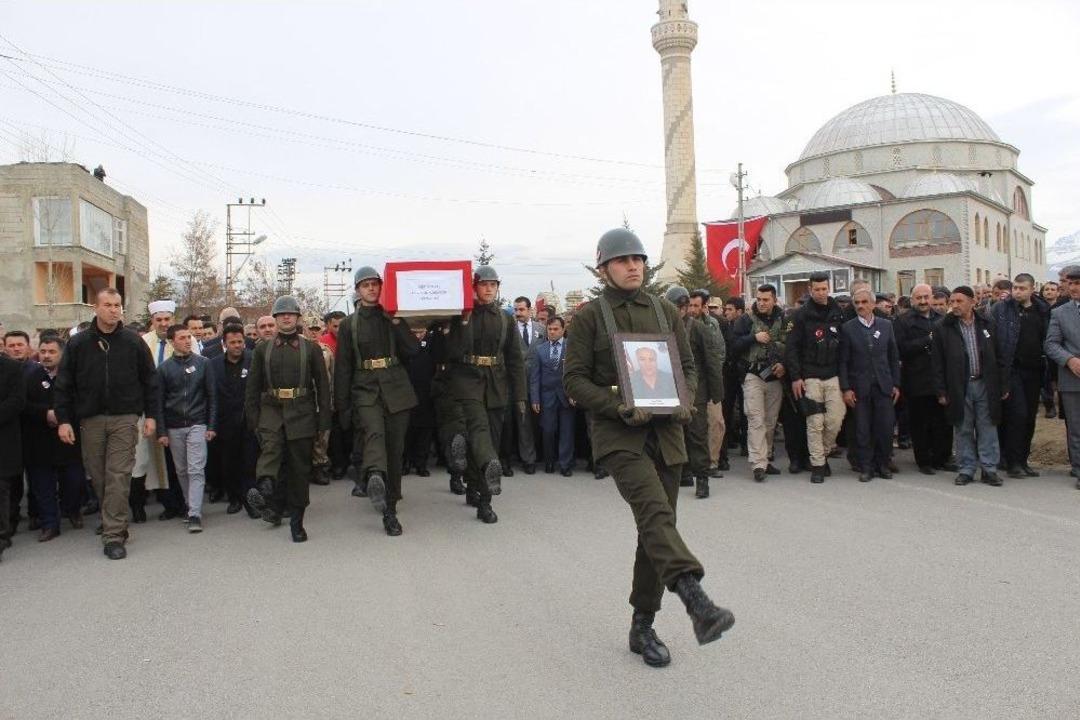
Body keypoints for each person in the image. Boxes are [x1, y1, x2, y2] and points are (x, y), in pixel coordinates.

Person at [564, 227, 733, 669]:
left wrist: (686, 399)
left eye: (637, 258)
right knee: (656, 515)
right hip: (620, 437)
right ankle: (697, 601)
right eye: (622, 260)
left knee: (654, 529)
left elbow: (689, 367)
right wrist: (617, 405)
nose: (633, 265)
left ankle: (643, 624)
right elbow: (574, 380)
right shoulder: (588, 318)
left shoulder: (665, 312)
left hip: (667, 435)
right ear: (604, 268)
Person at [54, 288, 159, 560]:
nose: (114, 309)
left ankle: (112, 534)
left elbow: (150, 382)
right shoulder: (78, 345)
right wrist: (64, 420)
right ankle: (115, 519)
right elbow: (64, 384)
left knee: (118, 475)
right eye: (108, 305)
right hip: (90, 419)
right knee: (99, 477)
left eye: (118, 305)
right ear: (96, 308)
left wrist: (151, 415)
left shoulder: (133, 342)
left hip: (125, 419)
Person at [334, 267, 419, 536]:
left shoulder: (393, 317)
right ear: (357, 290)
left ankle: (389, 507)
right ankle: (374, 476)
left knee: (395, 448)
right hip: (365, 388)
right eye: (365, 285)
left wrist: (395, 321)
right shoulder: (349, 324)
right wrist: (343, 406)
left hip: (396, 389)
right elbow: (343, 368)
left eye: (375, 284)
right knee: (373, 434)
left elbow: (413, 350)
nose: (371, 288)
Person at [438, 265, 526, 524]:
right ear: (474, 287)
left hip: (496, 383)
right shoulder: (461, 315)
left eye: (493, 285)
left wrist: (520, 395)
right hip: (466, 379)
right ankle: (485, 502)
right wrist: (462, 321)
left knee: (490, 440)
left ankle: (477, 488)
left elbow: (514, 359)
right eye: (484, 284)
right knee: (478, 434)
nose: (489, 289)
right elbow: (451, 352)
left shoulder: (505, 318)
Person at [245, 296, 332, 542]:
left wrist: (324, 421)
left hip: (302, 411)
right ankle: (266, 492)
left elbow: (323, 387)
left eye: (290, 314)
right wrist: (253, 419)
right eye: (281, 314)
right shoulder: (263, 349)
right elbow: (252, 388)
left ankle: (297, 520)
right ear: (274, 319)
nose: (286, 317)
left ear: (297, 318)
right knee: (270, 455)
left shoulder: (311, 348)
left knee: (299, 469)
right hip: (272, 411)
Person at [931, 287, 1004, 487]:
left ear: (972, 302)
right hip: (959, 386)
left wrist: (1003, 385)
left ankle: (989, 469)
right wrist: (941, 391)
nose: (954, 305)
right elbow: (937, 363)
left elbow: (1000, 357)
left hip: (985, 384)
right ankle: (966, 469)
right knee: (963, 427)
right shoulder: (942, 327)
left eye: (959, 301)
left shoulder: (987, 323)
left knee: (987, 427)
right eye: (952, 301)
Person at [155, 324, 218, 532]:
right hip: (174, 426)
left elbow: (212, 397)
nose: (187, 340)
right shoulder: (164, 369)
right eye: (182, 338)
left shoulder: (203, 364)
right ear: (172, 342)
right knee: (182, 470)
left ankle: (194, 514)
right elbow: (159, 402)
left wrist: (211, 425)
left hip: (197, 423)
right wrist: (162, 431)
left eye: (188, 336)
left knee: (196, 469)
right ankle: (190, 504)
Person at [21, 336, 84, 542]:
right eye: (43, 351)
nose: (46, 356)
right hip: (39, 442)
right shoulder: (29, 376)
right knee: (43, 487)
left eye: (52, 352)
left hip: (69, 441)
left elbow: (83, 403)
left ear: (62, 353)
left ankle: (73, 510)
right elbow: (22, 404)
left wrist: (63, 416)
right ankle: (50, 524)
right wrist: (45, 414)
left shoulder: (73, 377)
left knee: (73, 482)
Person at [786, 271, 846, 484]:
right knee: (815, 422)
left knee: (835, 420)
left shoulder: (838, 312)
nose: (821, 293)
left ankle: (823, 452)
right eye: (817, 289)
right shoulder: (800, 315)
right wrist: (795, 377)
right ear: (810, 290)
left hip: (832, 375)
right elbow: (791, 348)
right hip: (809, 376)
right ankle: (818, 465)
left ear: (828, 288)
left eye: (824, 289)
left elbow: (844, 347)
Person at [665, 286, 723, 498]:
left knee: (697, 434)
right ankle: (684, 473)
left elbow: (712, 362)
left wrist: (716, 393)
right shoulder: (663, 328)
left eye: (683, 307)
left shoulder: (698, 329)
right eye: (677, 307)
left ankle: (703, 478)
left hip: (695, 389)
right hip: (669, 388)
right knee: (674, 434)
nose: (681, 310)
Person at [838, 289, 901, 481]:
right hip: (860, 388)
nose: (860, 306)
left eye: (864, 302)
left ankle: (882, 465)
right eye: (857, 302)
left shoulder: (886, 325)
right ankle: (866, 467)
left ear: (873, 304)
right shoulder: (848, 328)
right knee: (862, 430)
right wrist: (846, 388)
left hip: (883, 386)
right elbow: (843, 362)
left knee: (885, 428)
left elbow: (893, 357)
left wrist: (895, 384)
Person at [992, 273, 1049, 478]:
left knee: (1030, 418)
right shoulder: (1001, 309)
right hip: (1011, 369)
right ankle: (1012, 461)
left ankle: (1023, 460)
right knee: (1018, 414)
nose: (1017, 291)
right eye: (1015, 287)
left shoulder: (1042, 310)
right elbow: (995, 341)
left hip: (1034, 371)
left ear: (1032, 289)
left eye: (1022, 288)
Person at [731, 284, 787, 482]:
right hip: (752, 376)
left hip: (775, 377)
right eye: (759, 299)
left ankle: (765, 456)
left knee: (770, 422)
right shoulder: (745, 320)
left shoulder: (784, 320)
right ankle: (758, 464)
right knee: (756, 420)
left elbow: (792, 345)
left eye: (766, 299)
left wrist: (783, 365)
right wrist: (753, 338)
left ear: (774, 300)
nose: (762, 303)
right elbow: (734, 346)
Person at [895, 284, 953, 474]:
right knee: (920, 423)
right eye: (918, 298)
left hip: (939, 379)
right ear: (912, 300)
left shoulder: (942, 319)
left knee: (942, 422)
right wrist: (926, 340)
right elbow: (901, 348)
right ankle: (924, 460)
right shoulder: (903, 321)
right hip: (916, 379)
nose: (923, 301)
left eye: (926, 297)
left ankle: (942, 458)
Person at [208, 323, 259, 517]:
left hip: (249, 421)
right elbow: (211, 394)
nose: (237, 345)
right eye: (233, 342)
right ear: (225, 344)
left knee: (249, 463)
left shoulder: (254, 360)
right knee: (229, 462)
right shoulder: (213, 365)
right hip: (225, 422)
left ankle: (251, 501)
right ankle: (234, 498)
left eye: (240, 341)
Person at [135, 299, 179, 523]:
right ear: (152, 321)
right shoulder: (142, 342)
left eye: (167, 319)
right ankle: (159, 500)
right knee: (148, 459)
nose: (163, 323)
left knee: (174, 458)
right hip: (150, 409)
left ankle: (178, 502)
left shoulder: (182, 339)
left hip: (176, 409)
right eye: (159, 320)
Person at [1044, 267, 1080, 489]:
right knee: (1075, 428)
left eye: (1078, 284)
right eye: (1072, 284)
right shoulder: (1060, 313)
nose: (1074, 288)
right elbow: (1050, 344)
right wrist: (1069, 360)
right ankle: (1078, 468)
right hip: (1071, 379)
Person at [528, 316, 576, 476]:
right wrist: (535, 398)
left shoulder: (572, 348)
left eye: (556, 329)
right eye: (550, 329)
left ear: (563, 330)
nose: (552, 332)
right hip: (546, 396)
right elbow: (535, 376)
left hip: (567, 396)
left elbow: (576, 373)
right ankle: (549, 461)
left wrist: (574, 393)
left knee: (566, 431)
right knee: (548, 430)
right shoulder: (539, 349)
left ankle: (565, 464)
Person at [688, 289, 726, 479]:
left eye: (696, 306)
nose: (692, 309)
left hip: (709, 380)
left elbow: (719, 352)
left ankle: (712, 462)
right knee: (694, 426)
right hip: (690, 383)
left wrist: (713, 378)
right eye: (690, 305)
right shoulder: (683, 325)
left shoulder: (712, 325)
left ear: (704, 307)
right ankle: (694, 464)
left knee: (717, 422)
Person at [509, 296, 544, 475]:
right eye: (516, 310)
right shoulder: (510, 329)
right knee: (523, 421)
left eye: (521, 310)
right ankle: (528, 459)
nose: (518, 313)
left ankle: (542, 455)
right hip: (518, 382)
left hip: (538, 383)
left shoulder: (542, 329)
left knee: (539, 420)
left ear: (530, 310)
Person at [0, 350, 26, 560]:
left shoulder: (11, 368)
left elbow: (17, 401)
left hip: (3, 437)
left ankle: (2, 535)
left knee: (1, 489)